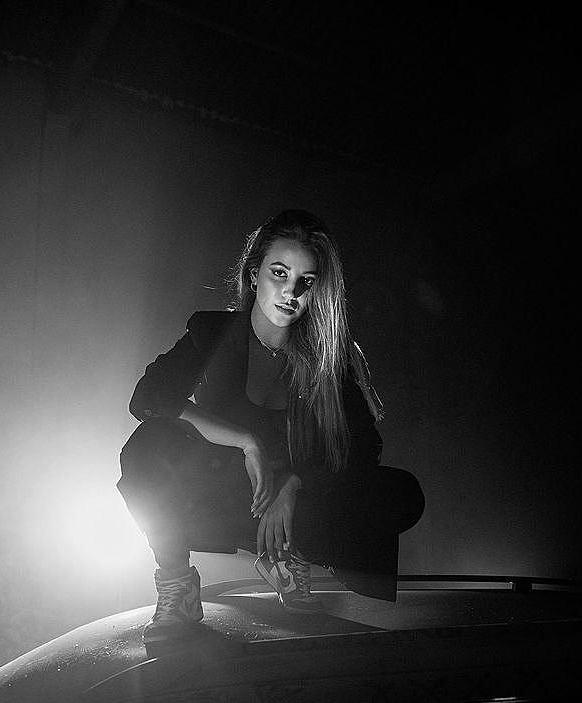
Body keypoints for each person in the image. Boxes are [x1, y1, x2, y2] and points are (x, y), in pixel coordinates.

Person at [117, 210, 424, 644]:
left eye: (306, 281)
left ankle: (288, 557)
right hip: (225, 496)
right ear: (254, 273)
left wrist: (294, 486)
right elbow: (148, 397)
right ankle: (178, 585)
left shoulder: (329, 355)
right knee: (147, 445)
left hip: (298, 510)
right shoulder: (213, 332)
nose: (291, 292)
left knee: (400, 490)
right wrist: (247, 442)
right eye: (279, 273)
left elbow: (364, 446)